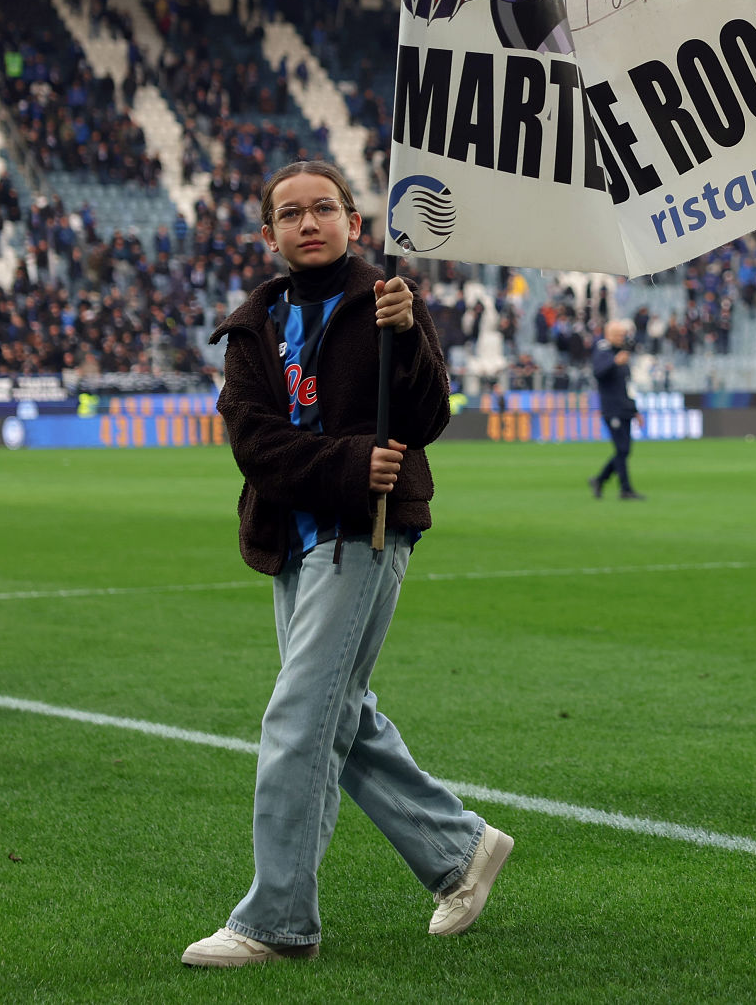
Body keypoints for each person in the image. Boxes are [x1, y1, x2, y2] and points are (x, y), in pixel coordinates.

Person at [185, 161, 510, 968]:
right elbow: (254, 444)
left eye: (324, 207)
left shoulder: (389, 300)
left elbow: (428, 414)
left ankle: (276, 922)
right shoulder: (251, 325)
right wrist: (348, 460)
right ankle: (459, 850)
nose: (309, 222)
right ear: (268, 234)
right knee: (341, 711)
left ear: (355, 222)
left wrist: (408, 337)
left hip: (363, 535)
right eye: (290, 213)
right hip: (291, 536)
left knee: (298, 717)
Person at [589, 321, 644, 501]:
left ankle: (599, 479)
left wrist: (635, 410)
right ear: (608, 334)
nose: (622, 337)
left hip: (625, 408)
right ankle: (625, 489)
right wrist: (614, 362)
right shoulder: (603, 351)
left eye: (623, 334)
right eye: (618, 334)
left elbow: (627, 386)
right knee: (621, 449)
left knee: (625, 450)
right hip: (612, 408)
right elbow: (598, 373)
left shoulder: (622, 354)